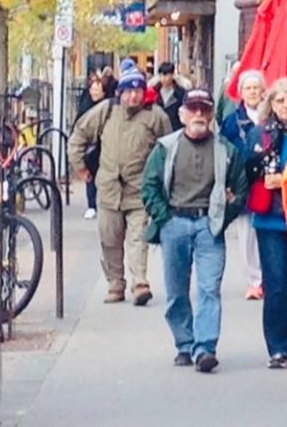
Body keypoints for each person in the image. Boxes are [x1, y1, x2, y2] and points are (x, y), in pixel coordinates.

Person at [141, 89, 234, 371]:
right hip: (175, 223)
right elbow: (149, 186)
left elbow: (240, 186)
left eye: (204, 110)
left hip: (209, 225)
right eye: (192, 110)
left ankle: (205, 348)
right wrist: (164, 217)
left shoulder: (225, 149)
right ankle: (184, 343)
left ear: (211, 115)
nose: (198, 115)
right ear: (181, 115)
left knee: (209, 288)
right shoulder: (166, 148)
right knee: (176, 291)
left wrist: (223, 216)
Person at [70, 66, 171, 304]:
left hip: (140, 190)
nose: (133, 96)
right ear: (120, 92)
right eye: (128, 91)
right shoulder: (106, 111)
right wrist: (80, 166)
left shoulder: (156, 116)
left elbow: (169, 149)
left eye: (137, 90)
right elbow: (79, 135)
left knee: (139, 238)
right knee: (110, 239)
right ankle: (115, 283)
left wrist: (162, 182)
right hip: (109, 189)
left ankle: (140, 283)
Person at [246, 78, 287, 368]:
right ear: (271, 104)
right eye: (280, 101)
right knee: (278, 284)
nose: (286, 106)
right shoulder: (260, 134)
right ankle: (278, 348)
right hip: (270, 220)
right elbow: (246, 171)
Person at [223, 71, 270, 300]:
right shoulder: (231, 122)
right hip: (242, 182)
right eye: (248, 88)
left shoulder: (271, 118)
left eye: (256, 87)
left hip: (267, 182)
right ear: (241, 93)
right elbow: (223, 152)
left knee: (268, 231)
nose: (252, 92)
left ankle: (271, 277)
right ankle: (254, 280)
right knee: (246, 235)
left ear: (263, 90)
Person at [78, 73, 108, 219]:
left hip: (104, 146)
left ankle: (103, 204)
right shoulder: (85, 105)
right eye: (93, 89)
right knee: (90, 177)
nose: (95, 92)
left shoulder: (107, 106)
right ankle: (91, 205)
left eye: (98, 90)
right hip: (90, 147)